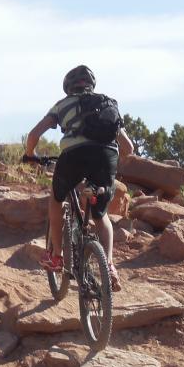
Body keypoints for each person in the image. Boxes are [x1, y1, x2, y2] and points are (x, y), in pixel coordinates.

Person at [23, 65, 134, 291]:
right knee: (100, 214)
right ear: (91, 85)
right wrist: (110, 159)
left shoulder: (62, 105)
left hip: (74, 155)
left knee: (56, 198)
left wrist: (30, 154)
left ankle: (56, 256)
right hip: (106, 157)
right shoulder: (108, 103)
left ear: (68, 87)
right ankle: (110, 265)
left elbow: (34, 135)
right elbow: (129, 147)